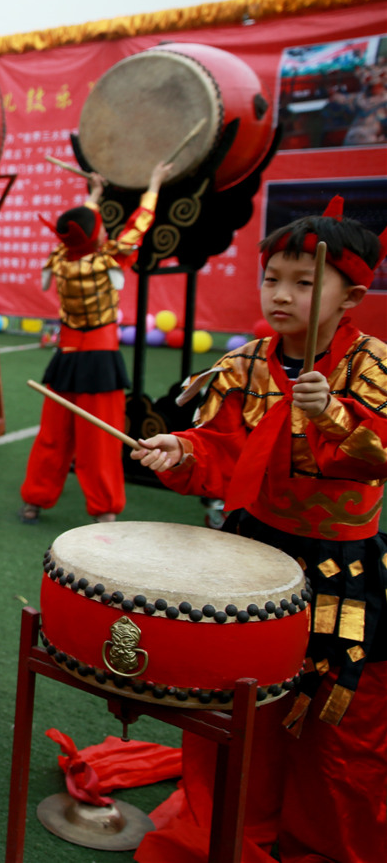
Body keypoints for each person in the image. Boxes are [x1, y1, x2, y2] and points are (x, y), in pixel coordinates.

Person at [130, 197, 385, 863]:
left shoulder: (371, 366)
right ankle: (229, 827)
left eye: (305, 282)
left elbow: (378, 454)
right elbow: (220, 451)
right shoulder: (245, 364)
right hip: (250, 552)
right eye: (272, 277)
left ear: (351, 293)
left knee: (335, 714)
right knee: (236, 698)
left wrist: (330, 415)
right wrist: (181, 453)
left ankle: (320, 840)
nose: (281, 293)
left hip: (338, 566)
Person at [21, 161, 173, 523]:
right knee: (99, 441)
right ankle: (104, 509)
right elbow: (139, 224)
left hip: (66, 356)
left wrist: (93, 195)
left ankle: (35, 500)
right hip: (100, 358)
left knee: (53, 436)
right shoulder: (108, 260)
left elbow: (79, 229)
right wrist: (153, 183)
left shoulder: (60, 259)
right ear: (98, 236)